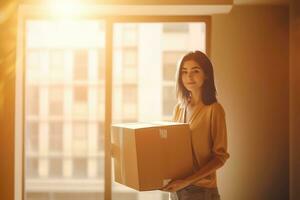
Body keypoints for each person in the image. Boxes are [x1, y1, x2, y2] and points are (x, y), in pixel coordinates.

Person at [162, 50, 230, 200]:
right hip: (176, 190)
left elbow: (220, 157)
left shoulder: (214, 110)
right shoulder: (179, 108)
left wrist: (186, 181)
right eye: (184, 72)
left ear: (206, 75)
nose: (189, 77)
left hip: (201, 192)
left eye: (195, 71)